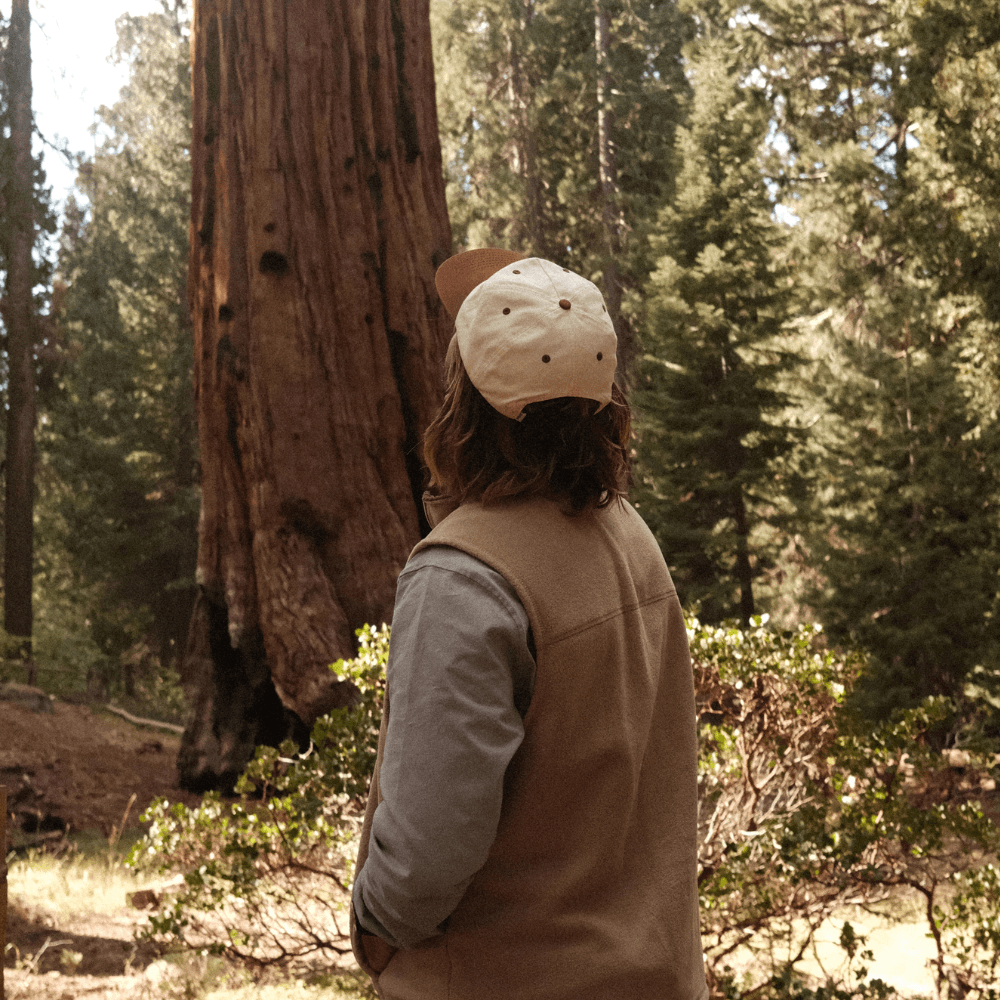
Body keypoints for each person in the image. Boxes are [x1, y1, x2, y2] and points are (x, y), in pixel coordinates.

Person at [349, 248, 708, 1000]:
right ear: (603, 403)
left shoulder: (462, 578)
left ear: (464, 402)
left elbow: (424, 859)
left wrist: (376, 930)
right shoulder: (629, 536)